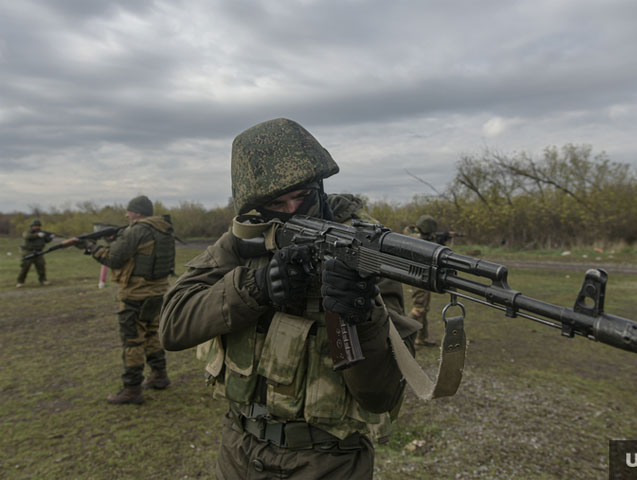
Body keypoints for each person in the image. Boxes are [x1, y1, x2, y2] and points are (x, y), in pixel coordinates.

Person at [160, 118, 418, 479]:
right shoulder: (246, 239)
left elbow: (382, 396)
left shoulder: (363, 250)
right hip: (239, 450)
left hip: (327, 461)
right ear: (256, 207)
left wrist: (359, 315)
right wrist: (256, 287)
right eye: (277, 204)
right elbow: (173, 324)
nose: (293, 211)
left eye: (304, 196)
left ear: (321, 188)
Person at [75, 195, 175, 405]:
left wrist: (92, 248)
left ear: (137, 213)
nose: (126, 215)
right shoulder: (163, 228)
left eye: (129, 211)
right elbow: (142, 253)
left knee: (132, 341)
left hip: (135, 295)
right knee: (152, 334)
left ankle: (132, 388)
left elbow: (113, 258)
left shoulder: (136, 230)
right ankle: (159, 375)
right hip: (157, 291)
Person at [403, 215, 442, 347]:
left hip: (420, 276)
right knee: (419, 308)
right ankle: (401, 335)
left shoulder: (411, 233)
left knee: (424, 308)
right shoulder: (418, 239)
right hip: (419, 276)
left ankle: (422, 338)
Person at [17, 219, 54, 287]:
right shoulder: (28, 232)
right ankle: (20, 282)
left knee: (41, 267)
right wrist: (37, 235)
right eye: (35, 226)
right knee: (25, 268)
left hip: (39, 252)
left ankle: (43, 280)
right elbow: (26, 236)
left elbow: (46, 241)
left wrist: (51, 237)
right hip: (29, 252)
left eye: (38, 226)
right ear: (32, 226)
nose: (37, 227)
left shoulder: (42, 233)